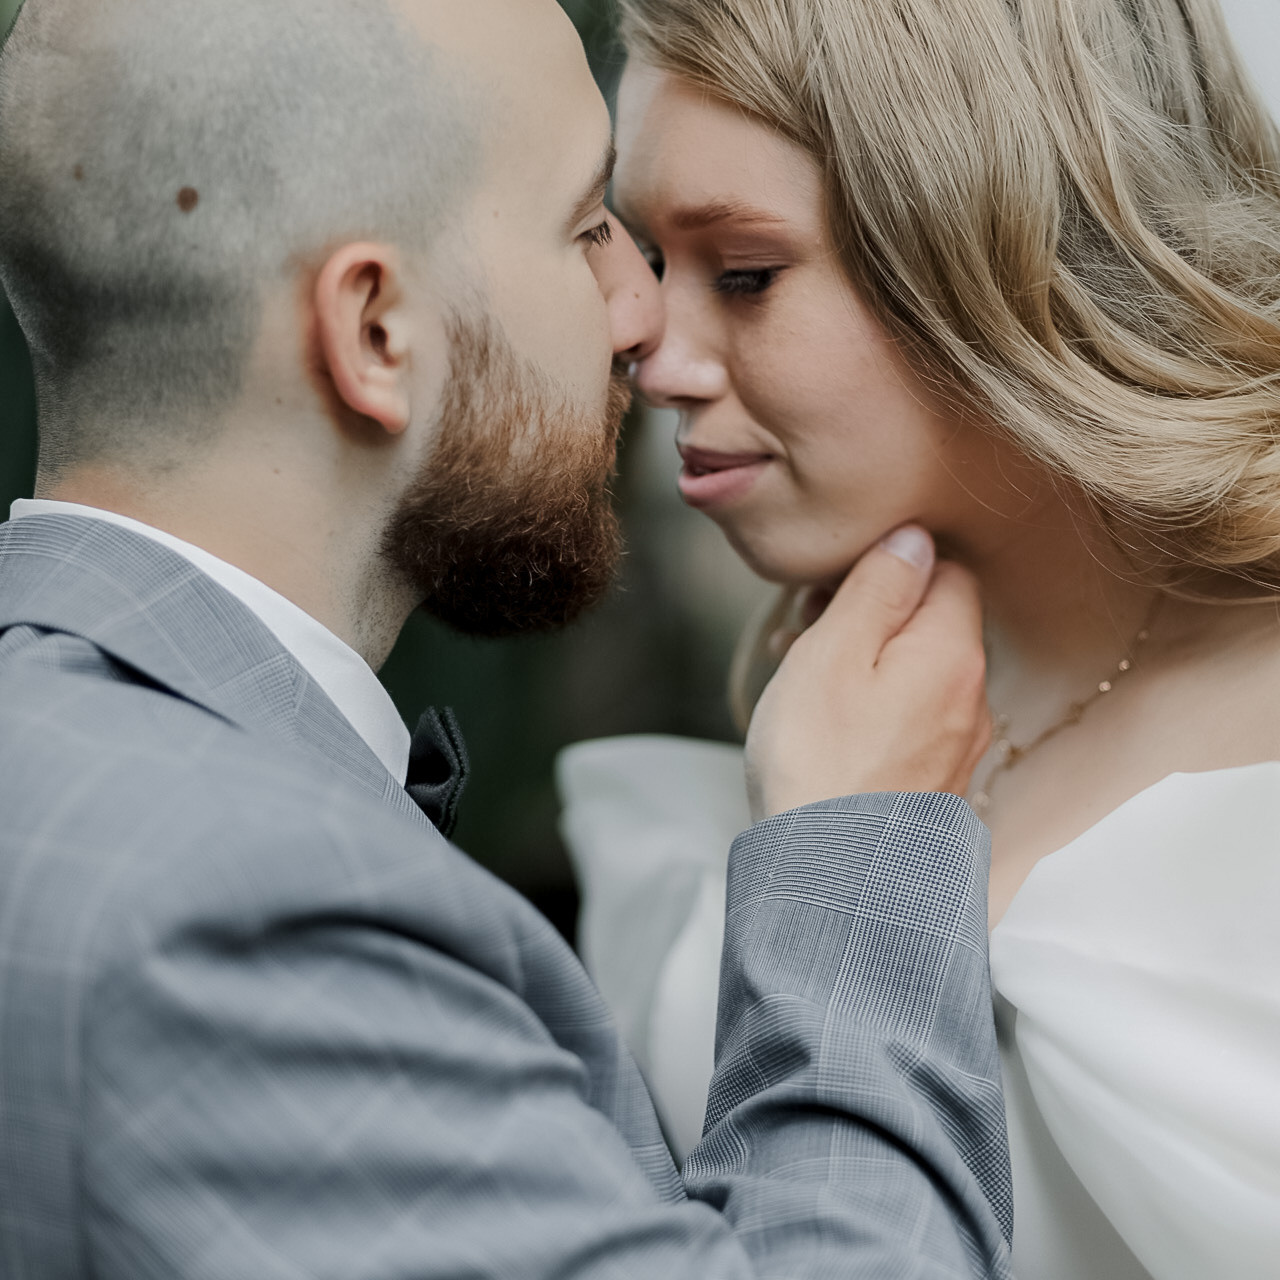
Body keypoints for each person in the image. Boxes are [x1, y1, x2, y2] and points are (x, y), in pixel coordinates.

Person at [0, 0, 1014, 1276]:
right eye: (586, 227)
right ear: (375, 331)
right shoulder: (231, 904)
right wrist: (853, 853)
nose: (640, 317)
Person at [558, 1, 1280, 1277]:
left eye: (741, 274)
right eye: (647, 266)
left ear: (1004, 242)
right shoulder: (830, 700)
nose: (652, 354)